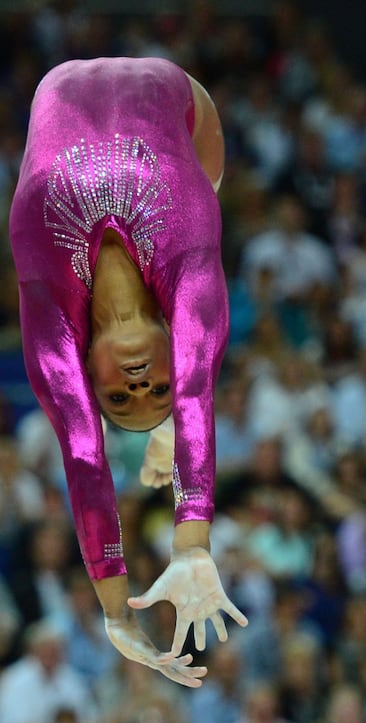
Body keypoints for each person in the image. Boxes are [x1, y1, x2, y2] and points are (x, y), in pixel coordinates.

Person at [9, 56, 248, 687]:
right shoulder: (191, 270)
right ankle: (169, 438)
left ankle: (166, 438)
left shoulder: (51, 313)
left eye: (121, 394)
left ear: (85, 372)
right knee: (205, 336)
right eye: (156, 389)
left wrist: (117, 612)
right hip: (184, 112)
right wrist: (191, 544)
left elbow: (84, 455)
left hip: (53, 85)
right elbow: (197, 389)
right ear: (173, 348)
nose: (141, 382)